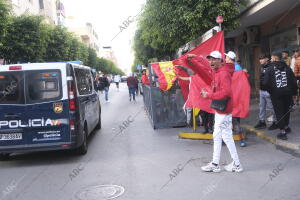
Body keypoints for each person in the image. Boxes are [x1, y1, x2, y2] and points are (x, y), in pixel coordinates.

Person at [187, 50, 243, 173]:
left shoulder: (223, 73)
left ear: (220, 60)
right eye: (210, 59)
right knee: (222, 137)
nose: (211, 61)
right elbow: (206, 65)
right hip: (222, 110)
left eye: (214, 59)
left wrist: (209, 95)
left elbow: (227, 92)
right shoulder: (218, 70)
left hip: (224, 111)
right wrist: (197, 57)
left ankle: (223, 164)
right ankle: (225, 163)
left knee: (222, 137)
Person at [263, 52, 297, 140]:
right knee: (286, 110)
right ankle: (286, 126)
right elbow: (293, 81)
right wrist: (294, 93)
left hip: (276, 94)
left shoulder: (269, 69)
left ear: (274, 58)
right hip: (287, 93)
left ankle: (282, 131)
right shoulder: (287, 67)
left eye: (271, 58)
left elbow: (265, 83)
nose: (270, 59)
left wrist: (270, 91)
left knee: (279, 112)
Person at [225, 51, 247, 147]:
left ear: (229, 59)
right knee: (232, 119)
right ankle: (225, 138)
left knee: (233, 119)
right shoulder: (237, 67)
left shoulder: (235, 68)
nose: (225, 58)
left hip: (232, 98)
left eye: (226, 57)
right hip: (234, 97)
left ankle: (242, 139)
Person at [254, 54, 277, 130]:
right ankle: (262, 121)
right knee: (261, 107)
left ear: (267, 59)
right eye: (259, 59)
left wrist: (270, 89)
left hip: (268, 91)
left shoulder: (271, 67)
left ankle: (275, 122)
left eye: (262, 58)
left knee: (271, 107)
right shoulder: (262, 67)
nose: (260, 60)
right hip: (262, 90)